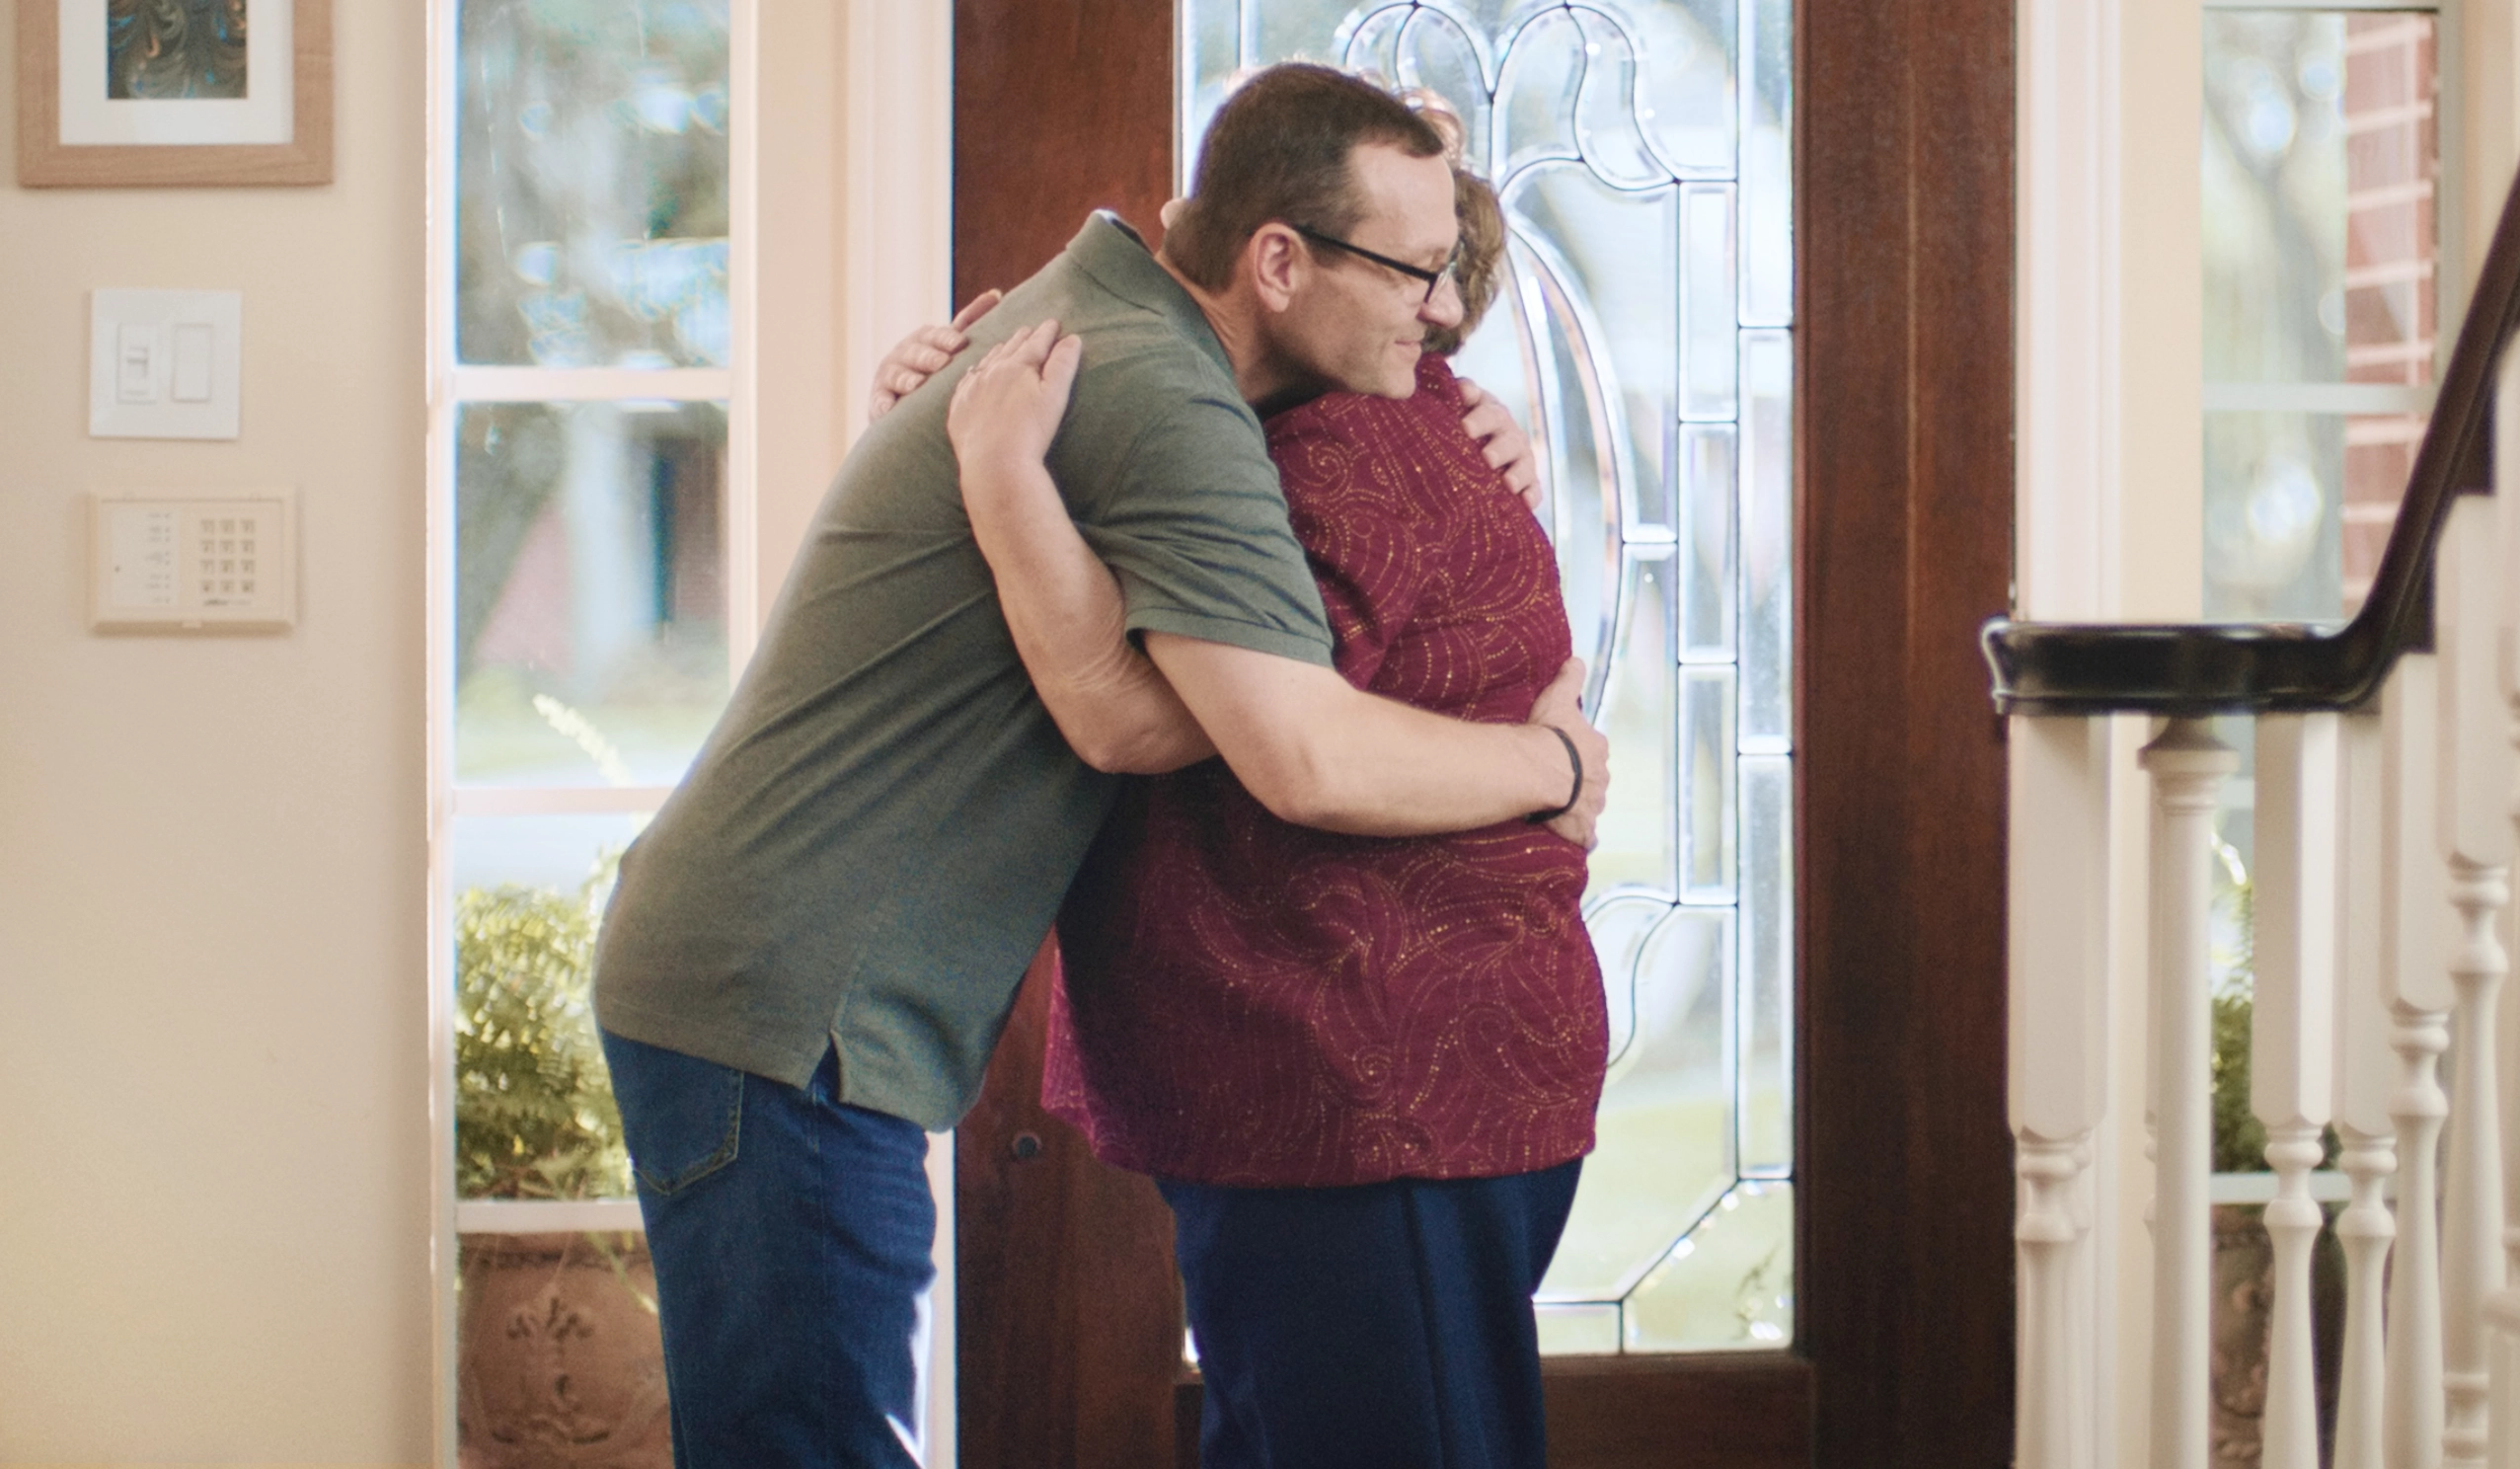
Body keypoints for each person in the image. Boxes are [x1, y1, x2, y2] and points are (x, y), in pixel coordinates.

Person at [587, 63, 1607, 1467]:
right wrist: (1550, 768)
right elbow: (1252, 742)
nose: (1440, 320)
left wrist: (1462, 416)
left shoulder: (1103, 327)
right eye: (1417, 275)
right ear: (1276, 259)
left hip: (770, 982)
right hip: (786, 994)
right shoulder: (1158, 398)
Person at [940, 156, 1604, 1468]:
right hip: (1397, 1080)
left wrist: (994, 470)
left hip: (1368, 1084)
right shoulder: (1378, 430)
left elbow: (1159, 721)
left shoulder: (1327, 462)